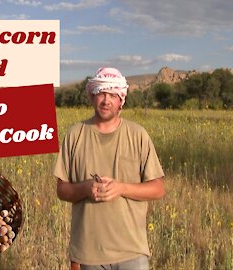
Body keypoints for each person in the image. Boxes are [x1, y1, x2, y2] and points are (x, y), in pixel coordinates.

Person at [54, 67, 166, 270]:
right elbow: (62, 190)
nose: (106, 101)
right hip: (88, 254)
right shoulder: (75, 135)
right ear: (92, 96)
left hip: (132, 252)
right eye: (101, 93)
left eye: (113, 95)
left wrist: (121, 188)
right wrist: (86, 188)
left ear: (121, 100)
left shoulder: (138, 134)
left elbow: (158, 188)